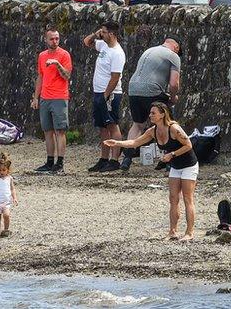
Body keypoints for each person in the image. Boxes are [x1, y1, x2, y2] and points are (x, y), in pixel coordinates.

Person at [105, 102, 197, 241]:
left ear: (162, 114)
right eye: (150, 113)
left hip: (189, 165)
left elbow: (188, 145)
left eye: (153, 113)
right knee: (173, 199)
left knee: (187, 198)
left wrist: (172, 155)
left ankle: (189, 232)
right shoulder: (152, 131)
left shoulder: (174, 128)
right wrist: (117, 143)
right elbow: (135, 142)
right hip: (176, 166)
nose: (150, 115)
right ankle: (173, 231)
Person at [122, 38, 182, 171]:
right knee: (166, 123)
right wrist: (172, 98)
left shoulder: (149, 50)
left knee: (138, 124)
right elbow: (174, 84)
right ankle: (169, 162)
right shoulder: (173, 56)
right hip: (152, 90)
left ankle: (127, 159)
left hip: (133, 88)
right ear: (176, 47)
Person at [83, 22, 126, 173]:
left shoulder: (117, 53)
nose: (102, 34)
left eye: (105, 32)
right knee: (102, 126)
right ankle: (104, 158)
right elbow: (87, 42)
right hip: (98, 91)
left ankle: (114, 160)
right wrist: (96, 34)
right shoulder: (103, 46)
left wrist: (106, 95)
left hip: (110, 94)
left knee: (112, 125)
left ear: (112, 34)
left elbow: (115, 77)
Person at [31, 27, 72, 174]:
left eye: (57, 39)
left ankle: (59, 163)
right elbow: (40, 77)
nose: (55, 41)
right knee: (48, 131)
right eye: (52, 39)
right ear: (46, 40)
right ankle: (49, 161)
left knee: (60, 130)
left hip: (59, 96)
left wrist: (57, 64)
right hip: (45, 97)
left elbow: (67, 75)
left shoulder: (64, 55)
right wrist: (36, 97)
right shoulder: (42, 56)